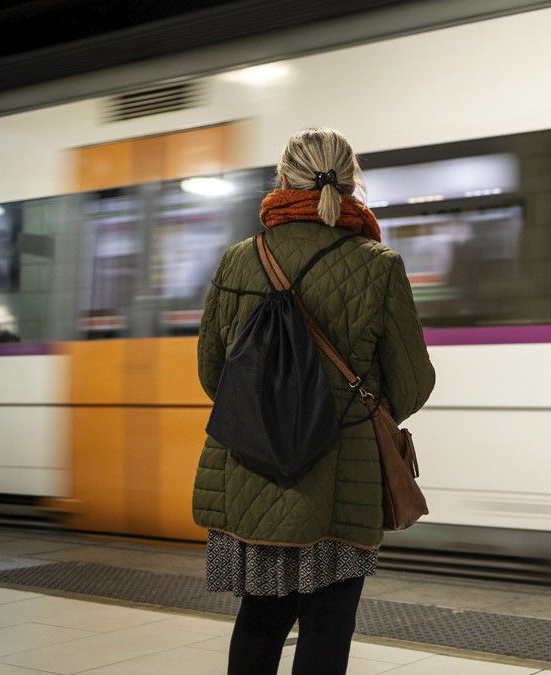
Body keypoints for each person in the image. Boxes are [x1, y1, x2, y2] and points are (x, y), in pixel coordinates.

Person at [192, 127, 435, 675]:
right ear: (352, 186)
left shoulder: (238, 260)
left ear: (282, 180)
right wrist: (350, 410)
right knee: (328, 624)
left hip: (252, 471)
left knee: (259, 620)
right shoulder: (379, 264)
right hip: (341, 475)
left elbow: (213, 372)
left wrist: (269, 413)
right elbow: (413, 381)